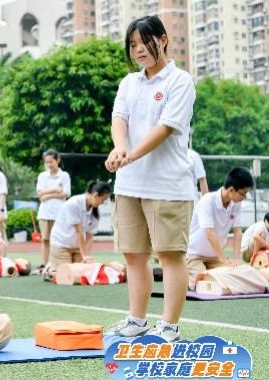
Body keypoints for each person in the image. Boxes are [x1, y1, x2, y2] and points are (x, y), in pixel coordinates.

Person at [105, 15, 197, 342]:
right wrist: (120, 148)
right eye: (133, 45)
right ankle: (137, 320)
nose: (139, 49)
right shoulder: (129, 83)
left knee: (170, 255)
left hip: (167, 185)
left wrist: (130, 154)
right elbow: (120, 119)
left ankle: (169, 327)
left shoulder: (180, 81)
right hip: (129, 185)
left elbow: (165, 128)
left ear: (163, 39)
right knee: (133, 255)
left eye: (145, 42)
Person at [185, 167, 254, 290]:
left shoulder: (236, 205)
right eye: (242, 194)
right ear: (232, 189)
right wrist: (224, 260)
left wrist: (236, 258)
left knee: (230, 280)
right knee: (204, 284)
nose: (243, 197)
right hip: (193, 255)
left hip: (214, 257)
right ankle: (182, 275)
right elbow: (209, 234)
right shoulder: (208, 201)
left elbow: (238, 231)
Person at [45, 181, 112, 280]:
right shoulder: (73, 204)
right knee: (68, 276)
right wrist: (84, 256)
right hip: (61, 244)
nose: (102, 204)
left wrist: (87, 257)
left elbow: (90, 237)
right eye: (102, 200)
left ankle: (56, 267)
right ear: (96, 195)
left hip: (77, 247)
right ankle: (49, 270)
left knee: (82, 274)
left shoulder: (96, 212)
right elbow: (79, 232)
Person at [36, 149, 71, 274]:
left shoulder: (64, 175)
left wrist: (48, 195)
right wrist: (56, 190)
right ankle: (44, 265)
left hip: (59, 213)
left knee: (57, 241)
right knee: (45, 240)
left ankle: (55, 265)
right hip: (45, 213)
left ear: (58, 160)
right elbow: (40, 193)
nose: (49, 165)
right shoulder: (42, 176)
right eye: (47, 162)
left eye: (51, 162)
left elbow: (65, 193)